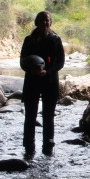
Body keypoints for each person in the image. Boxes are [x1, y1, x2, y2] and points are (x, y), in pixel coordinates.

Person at [20, 11, 65, 155]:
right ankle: (29, 147)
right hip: (31, 81)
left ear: (50, 23)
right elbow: (22, 61)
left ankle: (48, 145)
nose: (45, 23)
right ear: (36, 23)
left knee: (48, 115)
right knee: (30, 115)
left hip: (50, 81)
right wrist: (32, 70)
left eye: (47, 20)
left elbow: (60, 62)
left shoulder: (56, 40)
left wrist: (48, 71)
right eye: (42, 20)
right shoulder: (28, 40)